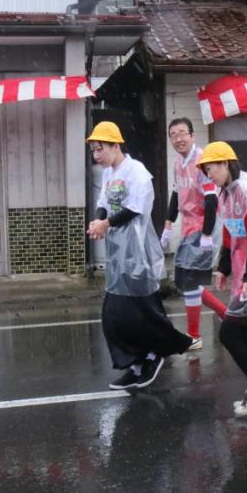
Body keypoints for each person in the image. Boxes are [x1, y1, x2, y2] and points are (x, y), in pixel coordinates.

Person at [87, 121, 193, 391]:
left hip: (137, 249)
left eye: (100, 149)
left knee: (139, 309)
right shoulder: (110, 174)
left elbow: (135, 208)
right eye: (94, 151)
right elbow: (103, 204)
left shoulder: (137, 172)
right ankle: (135, 363)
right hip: (118, 251)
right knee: (115, 314)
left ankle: (154, 354)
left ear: (115, 145)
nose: (96, 156)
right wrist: (97, 222)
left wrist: (106, 224)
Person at [198, 141, 247, 418]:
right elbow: (231, 234)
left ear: (227, 164)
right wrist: (223, 268)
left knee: (231, 332)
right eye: (206, 169)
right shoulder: (226, 193)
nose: (210, 174)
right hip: (246, 271)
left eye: (213, 168)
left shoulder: (246, 190)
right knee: (246, 333)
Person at [161, 117, 225, 351]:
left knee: (189, 281)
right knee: (187, 281)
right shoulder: (178, 162)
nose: (178, 139)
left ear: (192, 135)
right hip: (188, 226)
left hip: (202, 225)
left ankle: (194, 335)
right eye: (173, 135)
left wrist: (207, 235)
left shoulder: (201, 161)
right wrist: (168, 226)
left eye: (182, 133)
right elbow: (176, 195)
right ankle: (226, 315)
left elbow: (211, 200)